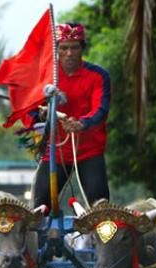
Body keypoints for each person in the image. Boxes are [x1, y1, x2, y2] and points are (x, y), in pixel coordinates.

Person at [27, 23, 111, 209]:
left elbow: (101, 109)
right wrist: (42, 113)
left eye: (74, 47)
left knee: (101, 208)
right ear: (56, 50)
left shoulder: (99, 75)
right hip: (55, 151)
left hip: (90, 151)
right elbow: (30, 109)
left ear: (82, 48)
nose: (69, 53)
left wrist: (82, 123)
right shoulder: (46, 76)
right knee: (38, 210)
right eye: (64, 48)